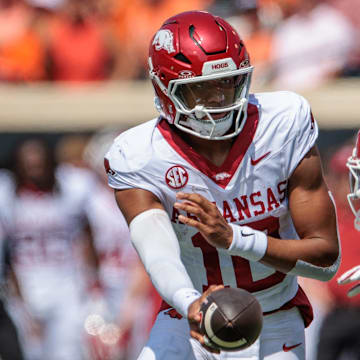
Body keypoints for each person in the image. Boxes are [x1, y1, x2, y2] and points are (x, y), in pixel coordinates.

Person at [104, 10, 339, 360]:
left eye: (229, 82)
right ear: (165, 89)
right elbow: (157, 252)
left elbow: (325, 259)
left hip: (272, 319)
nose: (219, 100)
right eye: (201, 88)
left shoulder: (284, 122)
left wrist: (234, 238)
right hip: (189, 314)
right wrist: (191, 304)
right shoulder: (138, 154)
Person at [0, 138, 99, 360]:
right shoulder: (6, 195)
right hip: (26, 283)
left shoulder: (71, 189)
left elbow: (86, 235)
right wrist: (17, 296)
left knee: (68, 351)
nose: (35, 169)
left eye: (40, 164)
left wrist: (93, 279)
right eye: (29, 165)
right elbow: (7, 253)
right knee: (31, 352)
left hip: (66, 282)